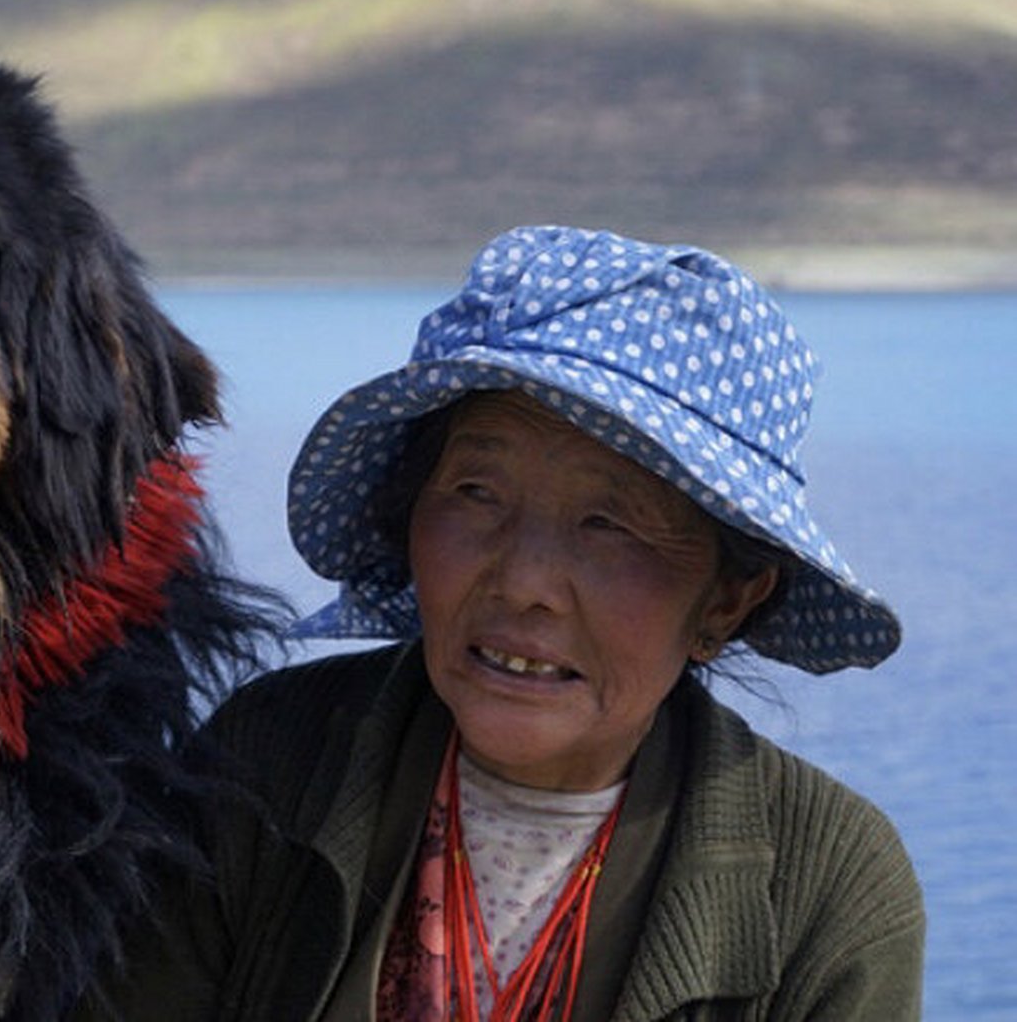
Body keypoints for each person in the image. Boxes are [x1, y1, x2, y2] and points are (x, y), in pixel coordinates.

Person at [88, 225, 923, 1021]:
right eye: (476, 493)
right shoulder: (268, 761)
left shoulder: (828, 888)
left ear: (726, 599)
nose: (524, 583)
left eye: (611, 525)